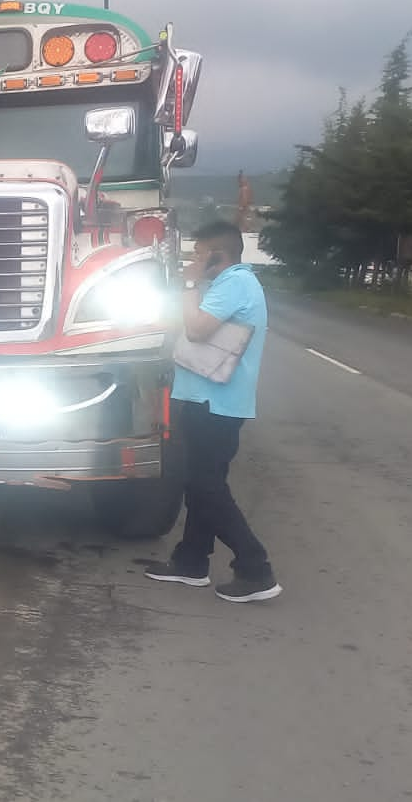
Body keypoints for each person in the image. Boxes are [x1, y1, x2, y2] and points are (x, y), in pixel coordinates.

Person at [145, 220, 281, 603]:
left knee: (207, 488)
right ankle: (191, 562)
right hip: (212, 401)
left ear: (217, 256)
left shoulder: (235, 283)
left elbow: (198, 329)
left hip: (214, 403)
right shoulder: (231, 284)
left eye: (198, 253)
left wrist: (189, 284)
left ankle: (256, 568)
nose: (193, 259)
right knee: (201, 485)